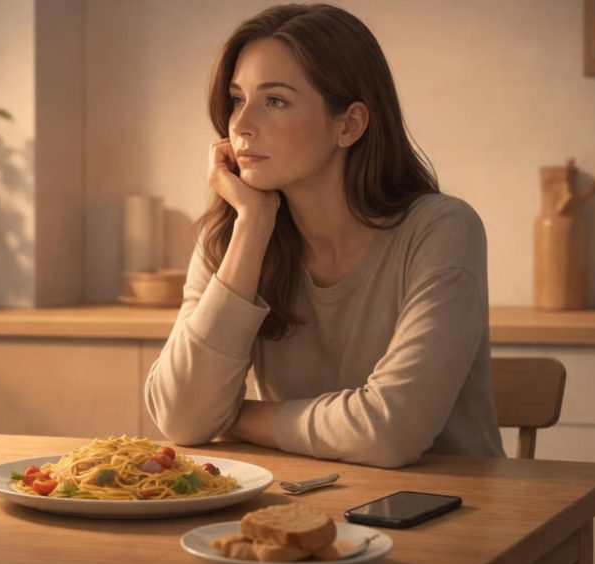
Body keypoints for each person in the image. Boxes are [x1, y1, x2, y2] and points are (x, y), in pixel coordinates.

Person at [144, 3, 505, 468]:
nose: (241, 124)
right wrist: (253, 226)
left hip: (453, 517)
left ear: (349, 125)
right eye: (237, 99)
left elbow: (390, 432)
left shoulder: (441, 229)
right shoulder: (232, 236)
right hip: (298, 510)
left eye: (275, 100)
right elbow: (181, 419)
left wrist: (234, 417)